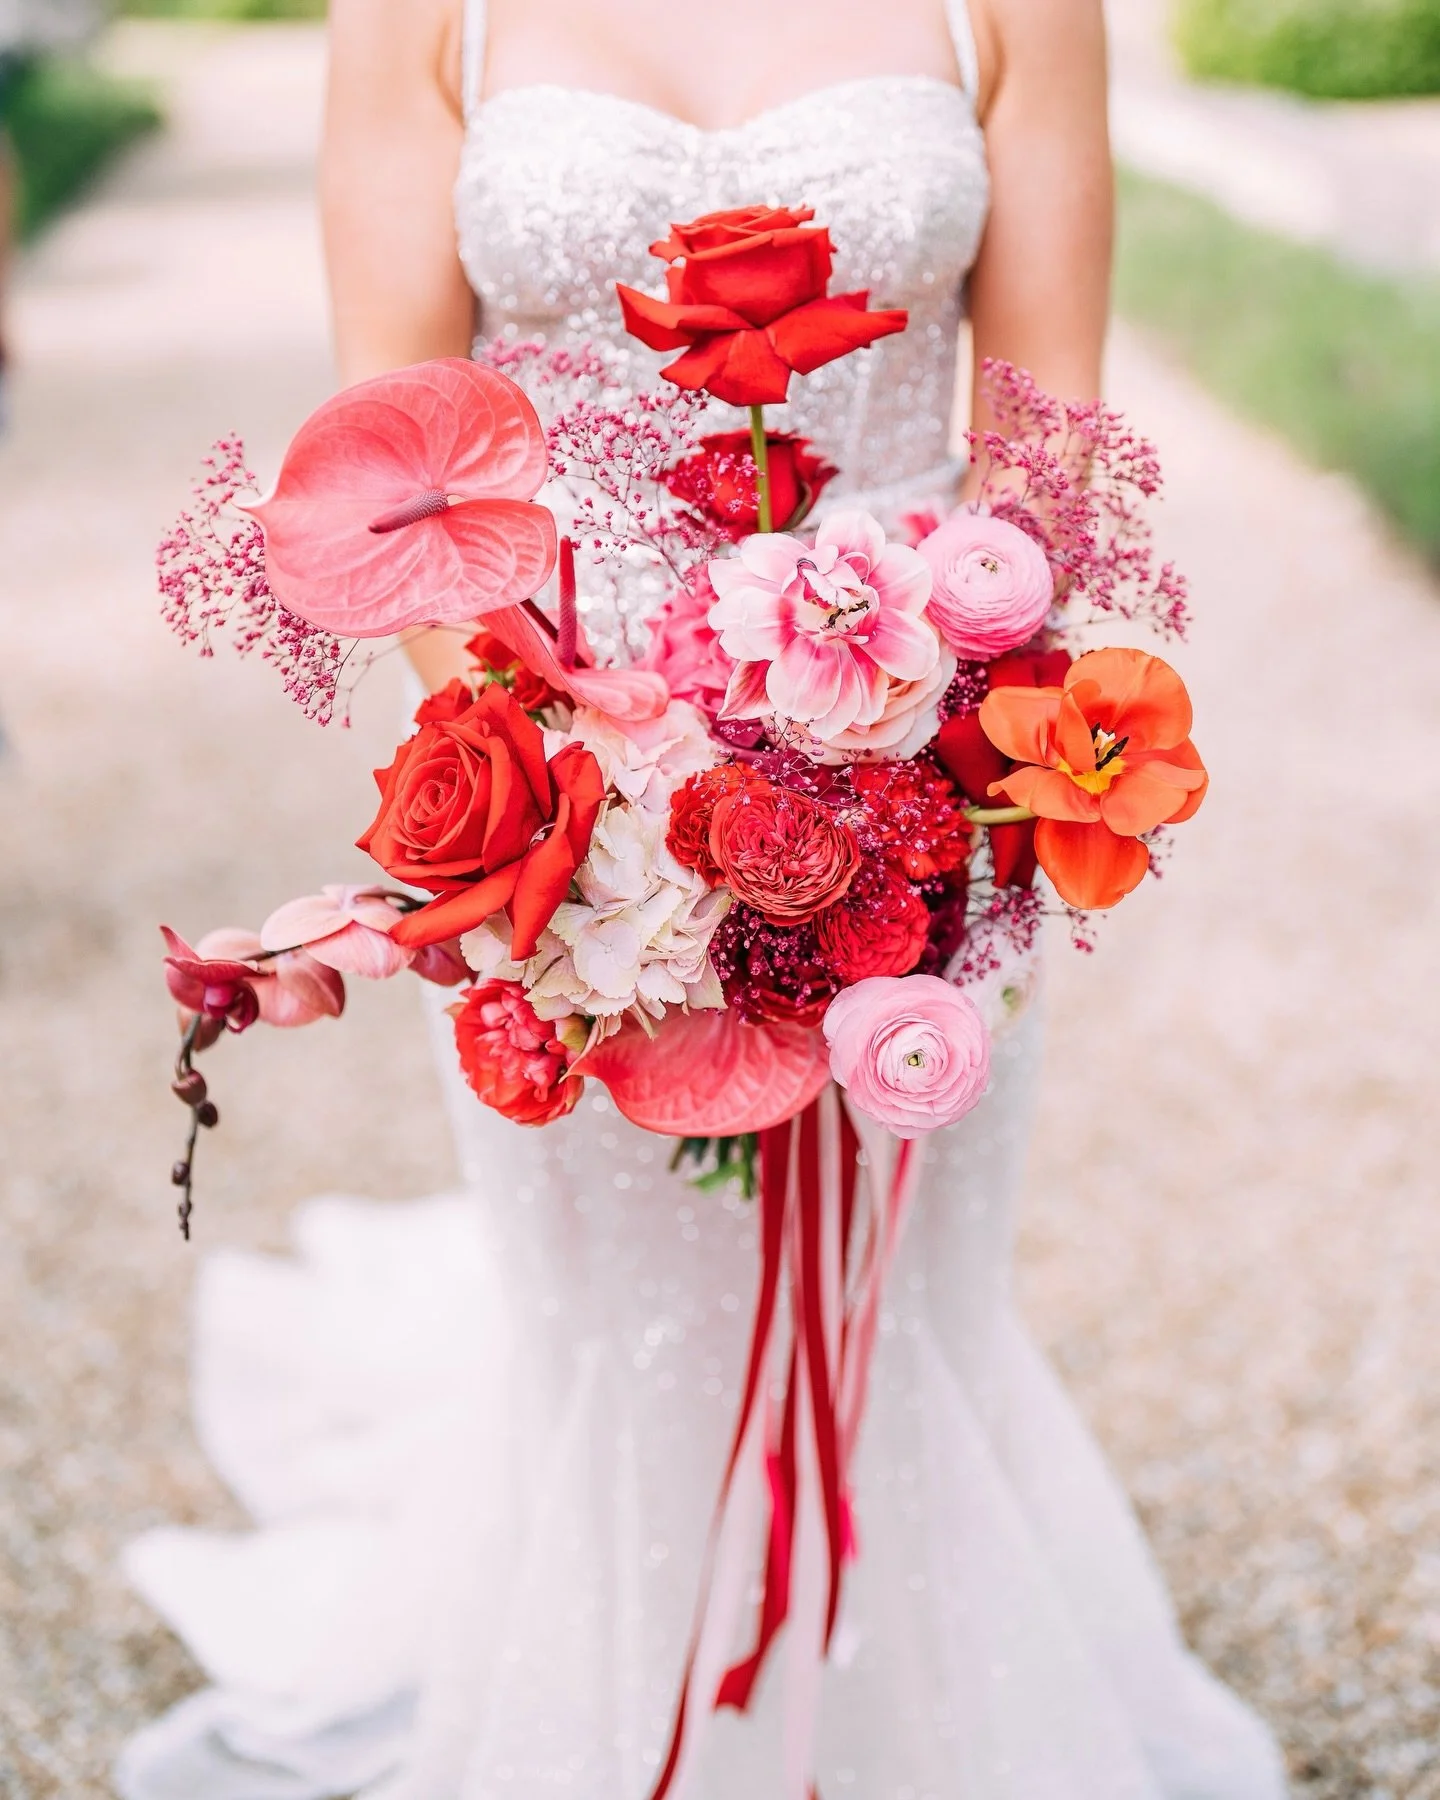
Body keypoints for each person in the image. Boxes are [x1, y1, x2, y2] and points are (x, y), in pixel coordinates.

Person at [118, 2, 1291, 1796]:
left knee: (907, 1295)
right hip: (560, 812)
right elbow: (392, 460)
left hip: (926, 781)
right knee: (611, 1305)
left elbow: (1042, 441)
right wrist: (573, 787)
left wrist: (927, 754)